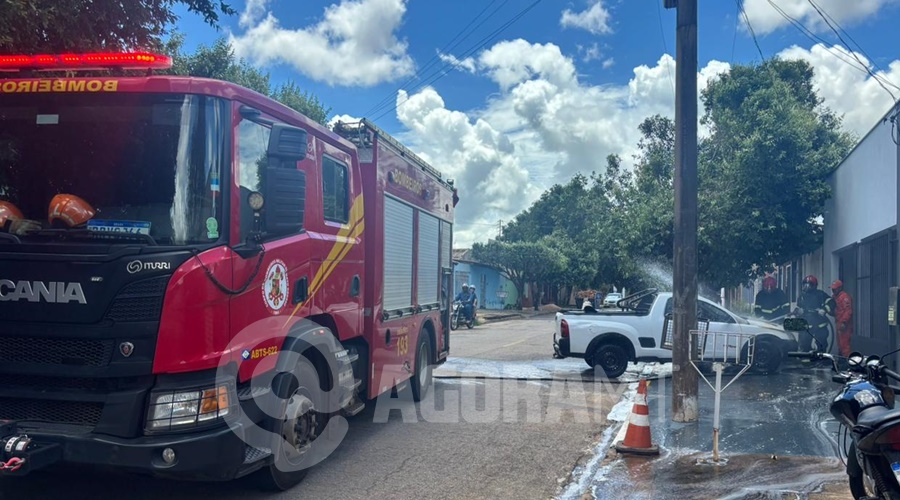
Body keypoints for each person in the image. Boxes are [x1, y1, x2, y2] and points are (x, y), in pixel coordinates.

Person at [795, 275, 832, 353]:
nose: (807, 286)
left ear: (815, 285)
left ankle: (821, 358)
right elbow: (798, 308)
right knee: (804, 345)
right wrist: (798, 311)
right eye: (805, 284)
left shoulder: (820, 294)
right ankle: (806, 359)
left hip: (820, 325)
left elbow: (831, 302)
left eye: (809, 284)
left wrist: (824, 309)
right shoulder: (802, 296)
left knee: (821, 345)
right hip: (806, 326)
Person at [828, 280, 854, 357]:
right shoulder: (835, 297)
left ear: (839, 288)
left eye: (834, 289)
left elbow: (848, 311)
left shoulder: (844, 297)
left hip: (845, 324)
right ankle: (841, 359)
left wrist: (844, 322)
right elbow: (836, 310)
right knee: (839, 344)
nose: (833, 290)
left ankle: (847, 360)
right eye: (832, 289)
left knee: (844, 345)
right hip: (838, 322)